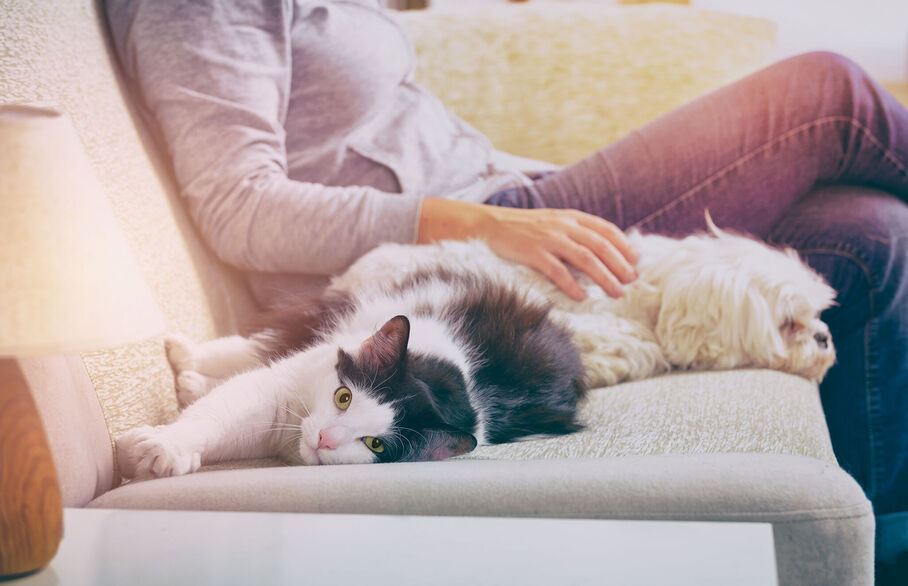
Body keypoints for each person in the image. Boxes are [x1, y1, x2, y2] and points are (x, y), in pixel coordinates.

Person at [105, 0, 907, 581]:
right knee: (827, 95)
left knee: (867, 234)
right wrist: (477, 224)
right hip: (486, 239)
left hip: (515, 204)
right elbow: (240, 210)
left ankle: (877, 541)